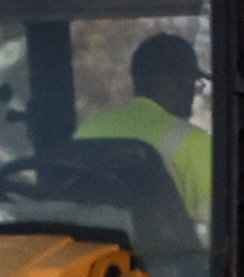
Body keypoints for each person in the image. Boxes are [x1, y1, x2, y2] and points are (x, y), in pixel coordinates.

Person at [74, 31, 213, 213]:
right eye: (195, 85)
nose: (194, 95)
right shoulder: (193, 141)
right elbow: (214, 227)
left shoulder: (85, 133)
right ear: (176, 85)